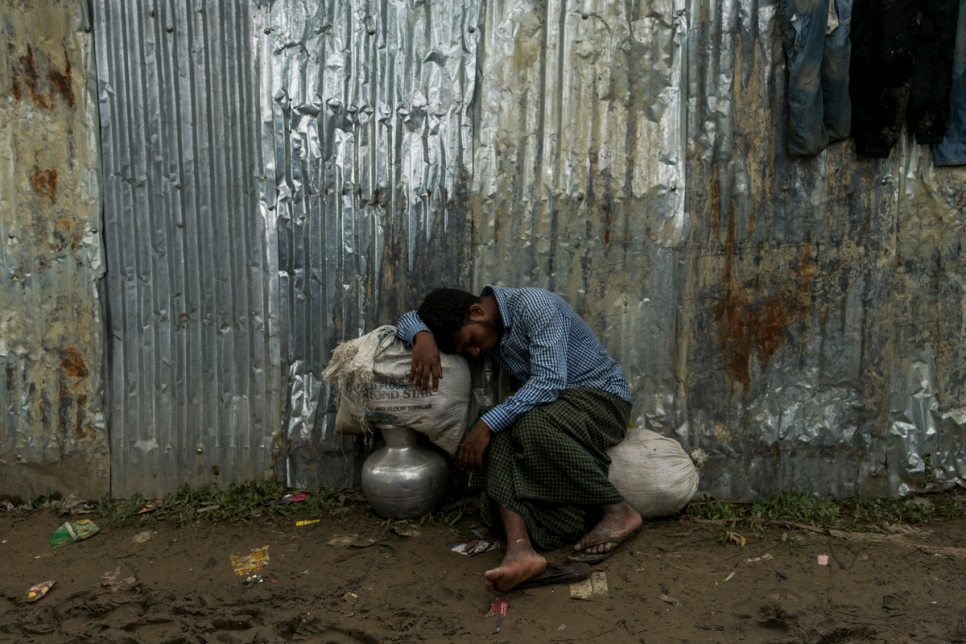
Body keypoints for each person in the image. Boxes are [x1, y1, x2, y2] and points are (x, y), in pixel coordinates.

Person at [396, 286, 642, 593]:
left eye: (471, 342)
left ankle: (618, 511)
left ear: (477, 312)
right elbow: (407, 319)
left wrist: (486, 422)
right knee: (500, 439)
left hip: (601, 400)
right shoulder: (486, 324)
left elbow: (550, 380)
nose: (474, 353)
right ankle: (520, 551)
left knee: (525, 425)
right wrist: (423, 336)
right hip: (554, 410)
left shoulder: (534, 306)